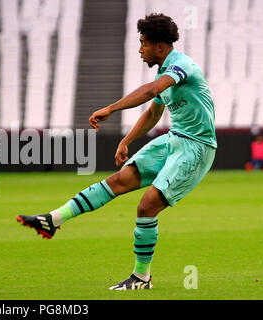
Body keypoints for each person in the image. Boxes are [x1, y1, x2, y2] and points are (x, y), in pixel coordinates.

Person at [16, 13, 217, 290]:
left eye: (143, 43)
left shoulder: (182, 66)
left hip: (196, 146)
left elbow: (150, 92)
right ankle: (53, 220)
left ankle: (141, 278)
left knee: (147, 206)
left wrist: (111, 108)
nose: (140, 49)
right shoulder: (164, 71)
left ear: (160, 47)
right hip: (174, 140)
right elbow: (153, 112)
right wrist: (127, 141)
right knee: (118, 180)